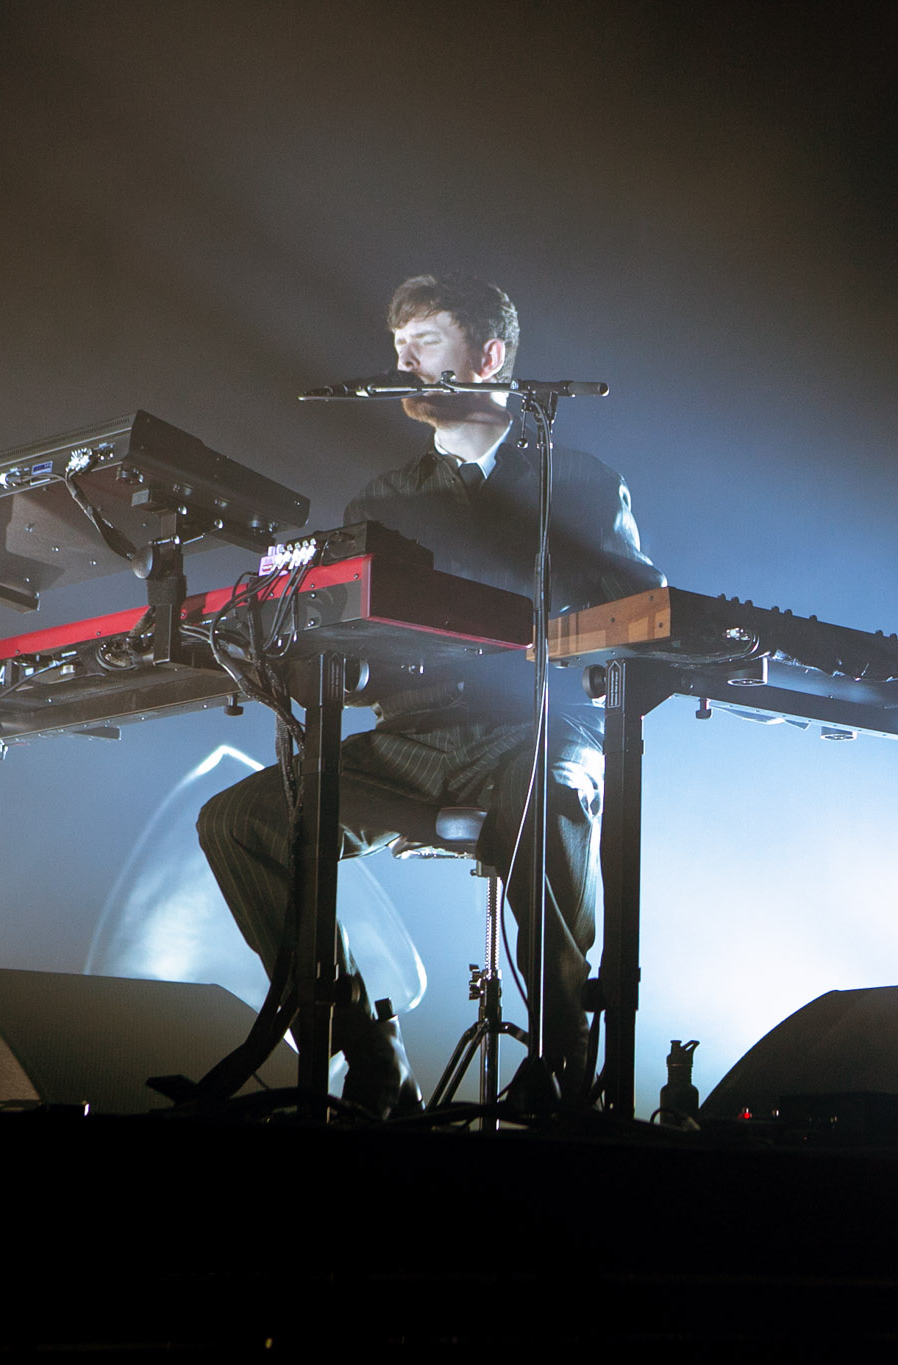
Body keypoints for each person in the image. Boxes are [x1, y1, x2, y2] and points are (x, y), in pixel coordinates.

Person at [198, 272, 663, 1116]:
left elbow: (645, 620)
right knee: (240, 818)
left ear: (488, 355)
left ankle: (565, 1074)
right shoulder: (381, 501)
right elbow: (346, 640)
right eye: (398, 348)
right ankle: (369, 1056)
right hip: (412, 740)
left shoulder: (580, 481)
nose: (404, 364)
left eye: (425, 344)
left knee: (550, 793)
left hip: (536, 728)